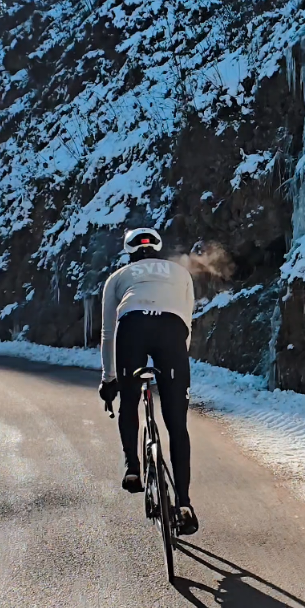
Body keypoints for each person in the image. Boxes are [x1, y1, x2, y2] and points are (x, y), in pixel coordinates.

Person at [98, 227, 198, 535]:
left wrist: (109, 379)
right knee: (177, 425)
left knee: (129, 400)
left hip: (133, 330)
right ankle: (183, 503)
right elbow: (187, 321)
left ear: (129, 251)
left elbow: (108, 333)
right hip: (172, 335)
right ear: (158, 248)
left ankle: (132, 469)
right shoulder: (181, 272)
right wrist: (178, 370)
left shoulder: (118, 276)